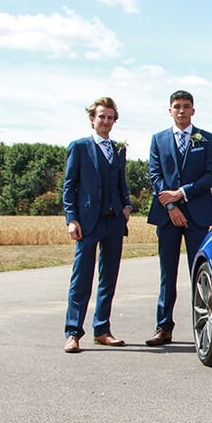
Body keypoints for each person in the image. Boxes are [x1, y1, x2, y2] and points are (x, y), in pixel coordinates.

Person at [144, 90, 212, 346]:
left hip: (197, 215)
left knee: (200, 274)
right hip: (167, 216)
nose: (181, 110)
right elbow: (155, 175)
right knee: (167, 274)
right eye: (177, 106)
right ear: (170, 110)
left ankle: (207, 327)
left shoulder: (206, 139)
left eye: (186, 106)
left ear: (193, 110)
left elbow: (211, 176)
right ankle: (163, 327)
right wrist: (171, 205)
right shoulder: (158, 139)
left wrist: (182, 193)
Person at [62, 96, 132, 353]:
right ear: (92, 119)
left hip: (114, 221)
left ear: (115, 120)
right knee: (81, 278)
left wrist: (127, 206)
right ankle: (73, 333)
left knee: (108, 278)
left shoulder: (119, 149)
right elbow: (69, 186)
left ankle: (102, 329)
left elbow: (121, 183)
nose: (106, 121)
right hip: (88, 222)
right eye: (101, 116)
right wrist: (71, 219)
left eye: (110, 117)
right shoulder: (79, 147)